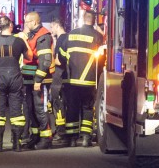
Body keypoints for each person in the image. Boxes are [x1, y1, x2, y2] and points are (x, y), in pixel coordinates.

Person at [60, 8, 104, 148]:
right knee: (87, 108)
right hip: (89, 80)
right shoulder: (97, 36)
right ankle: (86, 138)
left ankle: (72, 139)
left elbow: (62, 55)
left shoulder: (71, 34)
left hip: (71, 80)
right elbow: (101, 59)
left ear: (83, 19)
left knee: (72, 108)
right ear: (94, 21)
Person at [0, 16, 27, 152]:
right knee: (16, 110)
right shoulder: (19, 41)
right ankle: (17, 144)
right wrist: (25, 41)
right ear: (10, 26)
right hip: (15, 77)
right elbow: (30, 57)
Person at [20, 10, 54, 149]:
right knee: (31, 108)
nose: (25, 24)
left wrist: (38, 80)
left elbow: (45, 60)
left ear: (34, 22)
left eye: (27, 22)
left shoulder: (43, 36)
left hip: (39, 81)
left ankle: (46, 138)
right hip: (29, 79)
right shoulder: (31, 35)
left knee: (40, 108)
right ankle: (35, 136)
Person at [46, 19, 69, 145]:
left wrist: (50, 61)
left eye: (52, 27)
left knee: (58, 105)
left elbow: (60, 61)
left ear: (56, 25)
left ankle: (61, 132)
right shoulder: (68, 38)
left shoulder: (61, 40)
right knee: (62, 104)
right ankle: (62, 131)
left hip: (59, 76)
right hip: (65, 77)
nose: (51, 30)